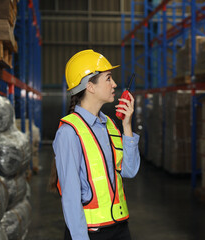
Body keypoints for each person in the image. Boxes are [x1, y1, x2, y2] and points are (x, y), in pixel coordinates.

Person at [49, 49, 140, 240]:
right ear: (90, 86)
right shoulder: (69, 132)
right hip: (91, 234)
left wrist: (127, 125)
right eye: (108, 78)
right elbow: (71, 196)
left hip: (121, 229)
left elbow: (129, 171)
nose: (114, 84)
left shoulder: (109, 124)